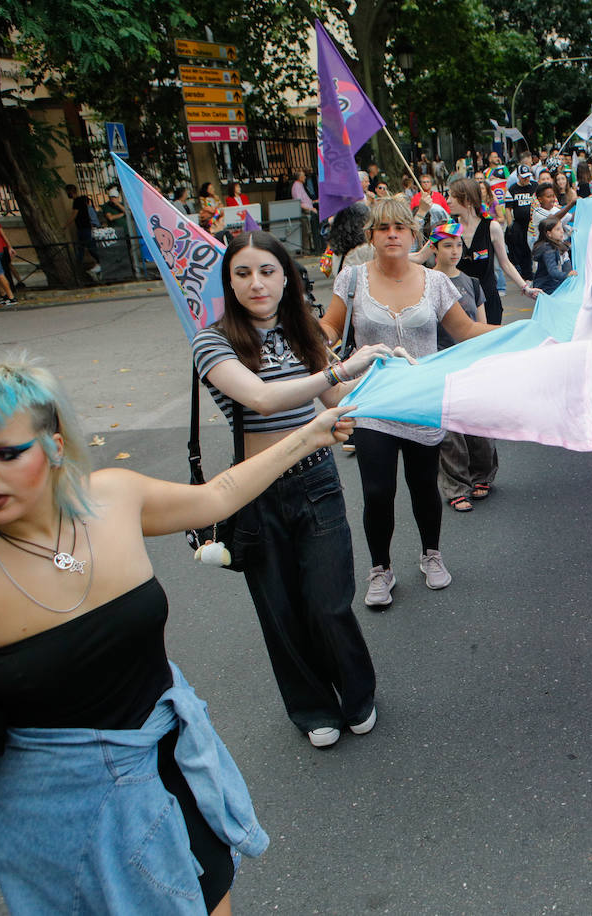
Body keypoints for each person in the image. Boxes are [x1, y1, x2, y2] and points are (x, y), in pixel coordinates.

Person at [0, 356, 357, 911]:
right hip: (59, 814)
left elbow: (218, 496)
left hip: (169, 767)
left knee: (211, 900)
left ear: (55, 445)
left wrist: (310, 435)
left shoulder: (112, 498)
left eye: (4, 452)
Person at [193, 231, 384, 749]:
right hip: (254, 491)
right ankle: (312, 707)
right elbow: (261, 399)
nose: (256, 283)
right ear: (229, 282)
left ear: (286, 277)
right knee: (281, 611)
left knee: (329, 603)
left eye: (268, 271)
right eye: (243, 273)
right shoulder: (213, 342)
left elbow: (337, 397)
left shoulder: (306, 334)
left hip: (317, 480)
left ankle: (358, 692)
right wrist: (340, 367)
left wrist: (391, 373)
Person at [320, 198, 501, 608]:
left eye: (399, 227)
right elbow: (331, 325)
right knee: (378, 491)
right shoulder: (351, 279)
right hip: (373, 400)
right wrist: (319, 334)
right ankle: (380, 569)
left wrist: (521, 329)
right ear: (372, 235)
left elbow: (465, 329)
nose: (391, 234)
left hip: (421, 400)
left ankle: (431, 554)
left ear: (413, 235)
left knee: (423, 486)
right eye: (383, 228)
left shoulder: (435, 282)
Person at [425, 221, 498, 512]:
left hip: (470, 361)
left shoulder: (471, 282)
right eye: (447, 245)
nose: (454, 251)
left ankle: (483, 474)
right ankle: (456, 485)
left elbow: (477, 325)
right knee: (450, 430)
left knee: (478, 421)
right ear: (433, 248)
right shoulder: (425, 282)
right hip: (440, 362)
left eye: (458, 245)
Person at [440, 177, 539, 325]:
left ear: (467, 200)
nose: (447, 201)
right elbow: (420, 256)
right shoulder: (449, 229)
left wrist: (526, 288)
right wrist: (421, 212)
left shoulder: (491, 227)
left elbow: (505, 263)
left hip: (489, 300)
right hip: (460, 304)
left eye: (452, 196)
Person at [64, 184, 102, 277]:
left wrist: (65, 225)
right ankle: (78, 267)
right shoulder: (82, 201)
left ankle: (101, 262)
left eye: (68, 192)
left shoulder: (77, 201)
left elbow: (74, 215)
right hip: (84, 228)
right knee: (82, 248)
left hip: (84, 229)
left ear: (71, 192)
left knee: (90, 248)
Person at [532, 216, 576, 294]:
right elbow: (553, 271)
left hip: (556, 284)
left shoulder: (559, 245)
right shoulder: (548, 249)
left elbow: (566, 263)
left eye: (561, 228)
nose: (562, 231)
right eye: (557, 229)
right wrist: (567, 275)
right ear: (549, 234)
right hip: (547, 287)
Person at [291, 170, 321, 254]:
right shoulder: (297, 186)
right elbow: (300, 202)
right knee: (308, 232)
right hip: (306, 212)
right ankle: (308, 250)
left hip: (309, 210)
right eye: (303, 176)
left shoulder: (300, 185)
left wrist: (314, 201)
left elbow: (305, 200)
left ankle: (311, 248)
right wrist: (311, 209)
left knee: (310, 231)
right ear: (300, 177)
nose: (305, 177)